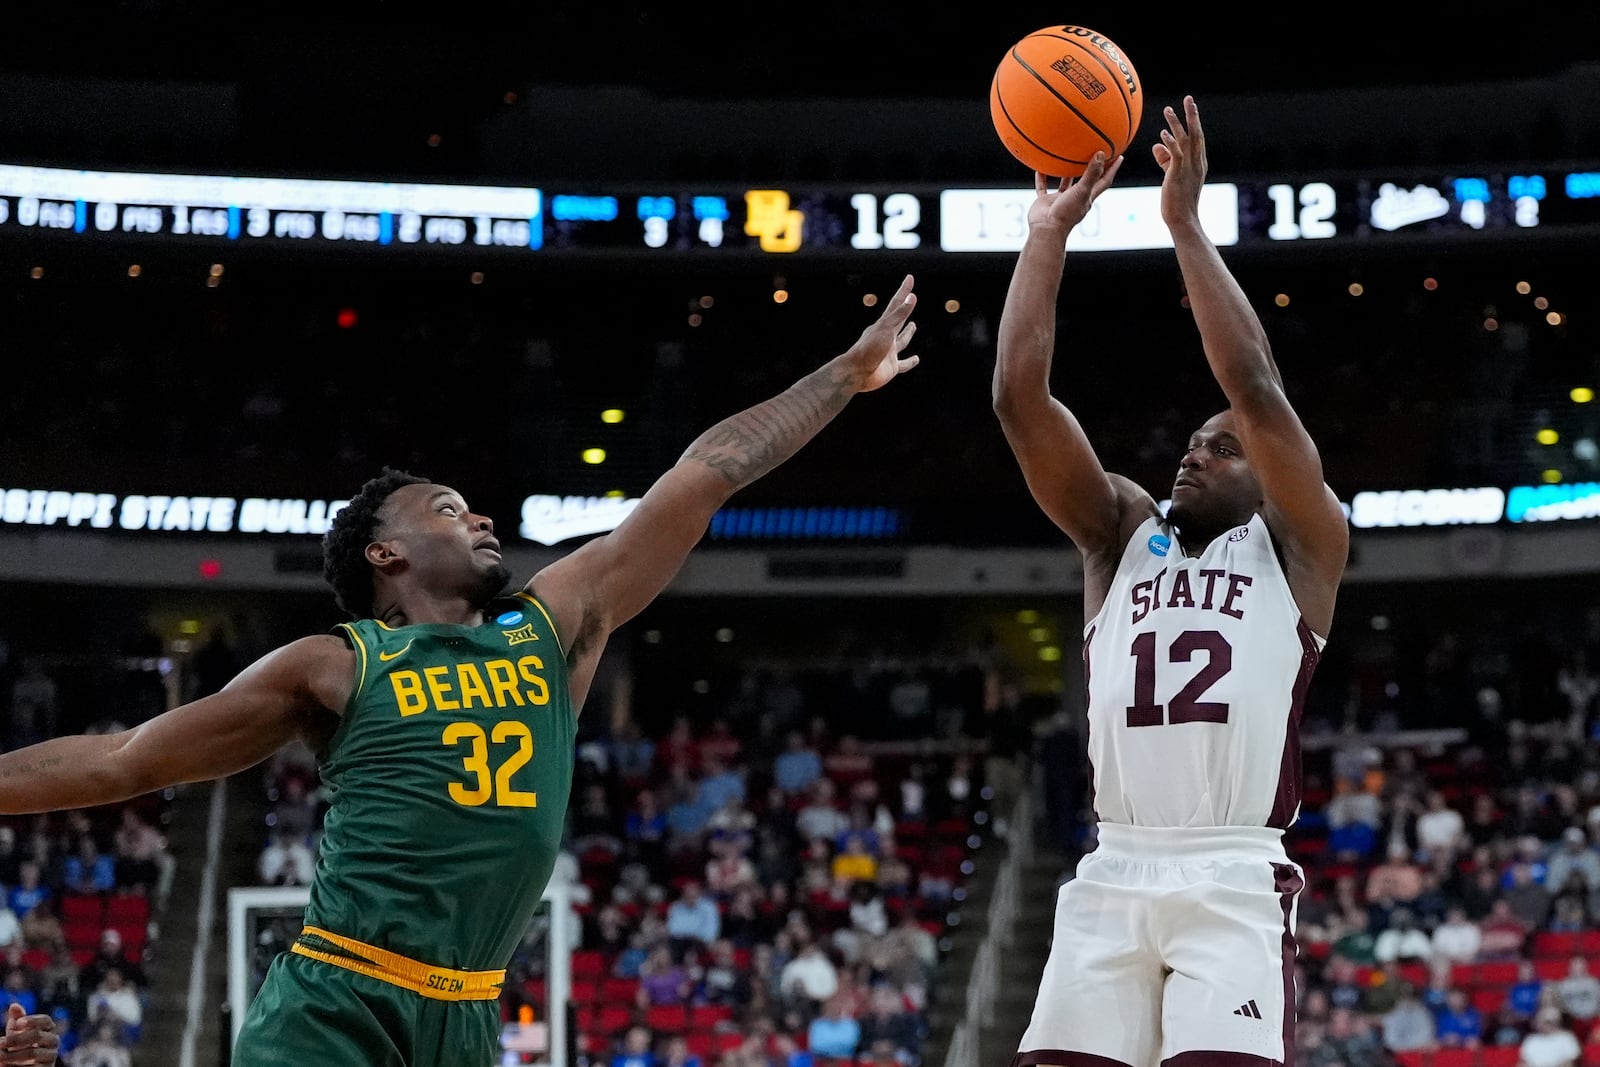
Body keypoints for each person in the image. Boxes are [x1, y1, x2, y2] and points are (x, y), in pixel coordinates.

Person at [0, 278, 921, 1067]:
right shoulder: (340, 662)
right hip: (337, 1003)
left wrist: (842, 376)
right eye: (450, 508)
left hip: (468, 1010)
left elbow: (704, 472)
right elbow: (126, 759)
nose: (479, 520)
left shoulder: (553, 622)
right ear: (385, 554)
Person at [996, 97, 1349, 1067]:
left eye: (1221, 449)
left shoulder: (1300, 546)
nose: (1193, 455)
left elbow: (1254, 387)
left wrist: (1183, 225)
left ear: (1265, 475)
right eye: (1190, 444)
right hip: (1112, 865)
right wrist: (1043, 238)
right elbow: (1018, 400)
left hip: (1231, 872)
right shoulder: (1117, 537)